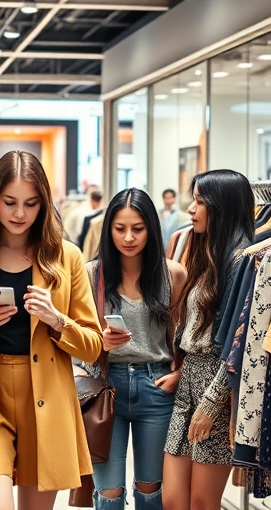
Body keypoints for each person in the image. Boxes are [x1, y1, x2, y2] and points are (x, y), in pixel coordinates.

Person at [0, 150, 103, 510]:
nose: (19, 214)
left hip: (48, 394)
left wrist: (57, 320)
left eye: (31, 203)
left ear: (43, 203)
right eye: (9, 202)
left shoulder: (66, 256)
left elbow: (92, 347)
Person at [78, 188, 187, 510]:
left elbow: (184, 336)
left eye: (137, 229)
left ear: (151, 228)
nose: (128, 237)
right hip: (104, 386)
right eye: (120, 228)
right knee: (108, 492)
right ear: (108, 228)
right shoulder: (91, 274)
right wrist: (99, 342)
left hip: (156, 386)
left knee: (150, 488)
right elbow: (76, 337)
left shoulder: (172, 274)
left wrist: (179, 373)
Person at [162, 170, 254, 510]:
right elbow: (191, 325)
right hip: (189, 380)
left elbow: (238, 344)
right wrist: (180, 370)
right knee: (172, 500)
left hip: (218, 388)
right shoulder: (206, 253)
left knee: (202, 503)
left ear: (222, 207)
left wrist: (212, 404)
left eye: (200, 202)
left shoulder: (241, 261)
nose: (190, 209)